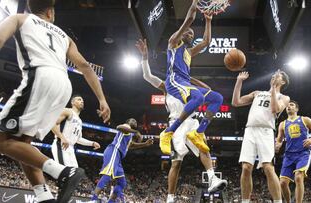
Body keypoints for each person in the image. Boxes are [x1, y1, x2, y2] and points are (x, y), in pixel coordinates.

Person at [0, 0, 110, 202]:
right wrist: (102, 99)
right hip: (63, 86)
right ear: (50, 13)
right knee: (22, 144)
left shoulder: (19, 18)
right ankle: (44, 197)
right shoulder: (64, 36)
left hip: (40, 76)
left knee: (1, 141)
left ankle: (62, 172)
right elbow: (85, 66)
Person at [135, 39, 227, 203]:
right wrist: (144, 57)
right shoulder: (166, 86)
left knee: (204, 149)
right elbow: (146, 76)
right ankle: (170, 198)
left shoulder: (188, 86)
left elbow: (210, 91)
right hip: (175, 123)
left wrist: (191, 80)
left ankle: (212, 179)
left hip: (192, 121)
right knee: (176, 162)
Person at [160, 0, 224, 155]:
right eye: (188, 32)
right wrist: (195, 3)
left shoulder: (189, 52)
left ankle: (198, 133)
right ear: (181, 34)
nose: (190, 34)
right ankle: (168, 132)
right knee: (198, 98)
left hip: (185, 83)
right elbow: (189, 19)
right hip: (174, 81)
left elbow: (206, 42)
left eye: (192, 34)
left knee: (217, 98)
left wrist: (208, 21)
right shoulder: (173, 43)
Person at [232, 71, 290, 203]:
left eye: (278, 75)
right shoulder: (257, 93)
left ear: (283, 82)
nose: (274, 76)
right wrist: (239, 81)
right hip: (250, 130)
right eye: (274, 74)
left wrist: (274, 90)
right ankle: (245, 201)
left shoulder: (284, 97)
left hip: (266, 131)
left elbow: (275, 109)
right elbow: (236, 102)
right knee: (246, 167)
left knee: (268, 167)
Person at [91, 118, 154, 202]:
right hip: (114, 150)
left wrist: (145, 144)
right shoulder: (126, 126)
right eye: (132, 120)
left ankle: (110, 201)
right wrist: (136, 132)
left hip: (118, 157)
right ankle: (93, 199)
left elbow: (130, 145)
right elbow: (119, 127)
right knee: (107, 175)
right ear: (127, 122)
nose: (135, 121)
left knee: (122, 183)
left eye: (135, 121)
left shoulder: (130, 133)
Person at [275, 100, 311, 203]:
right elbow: (279, 139)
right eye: (287, 105)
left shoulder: (305, 119)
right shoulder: (282, 124)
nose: (289, 106)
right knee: (282, 183)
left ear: (296, 109)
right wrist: (278, 145)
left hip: (303, 153)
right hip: (288, 155)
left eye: (291, 105)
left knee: (298, 177)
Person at [51, 95, 101, 167]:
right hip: (61, 145)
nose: (82, 101)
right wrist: (62, 138)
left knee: (75, 175)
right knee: (65, 173)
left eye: (82, 100)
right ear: (73, 102)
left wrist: (92, 143)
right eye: (79, 99)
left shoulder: (80, 121)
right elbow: (53, 124)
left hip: (71, 149)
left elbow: (78, 139)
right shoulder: (67, 111)